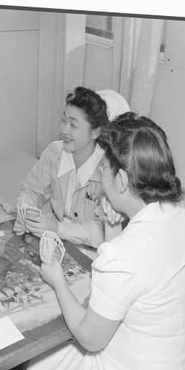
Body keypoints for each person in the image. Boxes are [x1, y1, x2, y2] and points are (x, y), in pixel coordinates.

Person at [22, 113, 185, 370]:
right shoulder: (178, 214)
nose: (100, 172)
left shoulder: (124, 255)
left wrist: (57, 280)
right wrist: (112, 224)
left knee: (39, 364)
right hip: (179, 362)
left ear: (121, 181)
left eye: (104, 168)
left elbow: (90, 338)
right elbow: (127, 280)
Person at [13, 87, 130, 249]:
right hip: (54, 239)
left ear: (95, 132)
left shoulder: (109, 171)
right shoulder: (54, 153)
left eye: (73, 125)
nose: (64, 130)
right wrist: (26, 209)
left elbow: (101, 231)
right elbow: (31, 190)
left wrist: (56, 228)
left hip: (92, 250)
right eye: (63, 120)